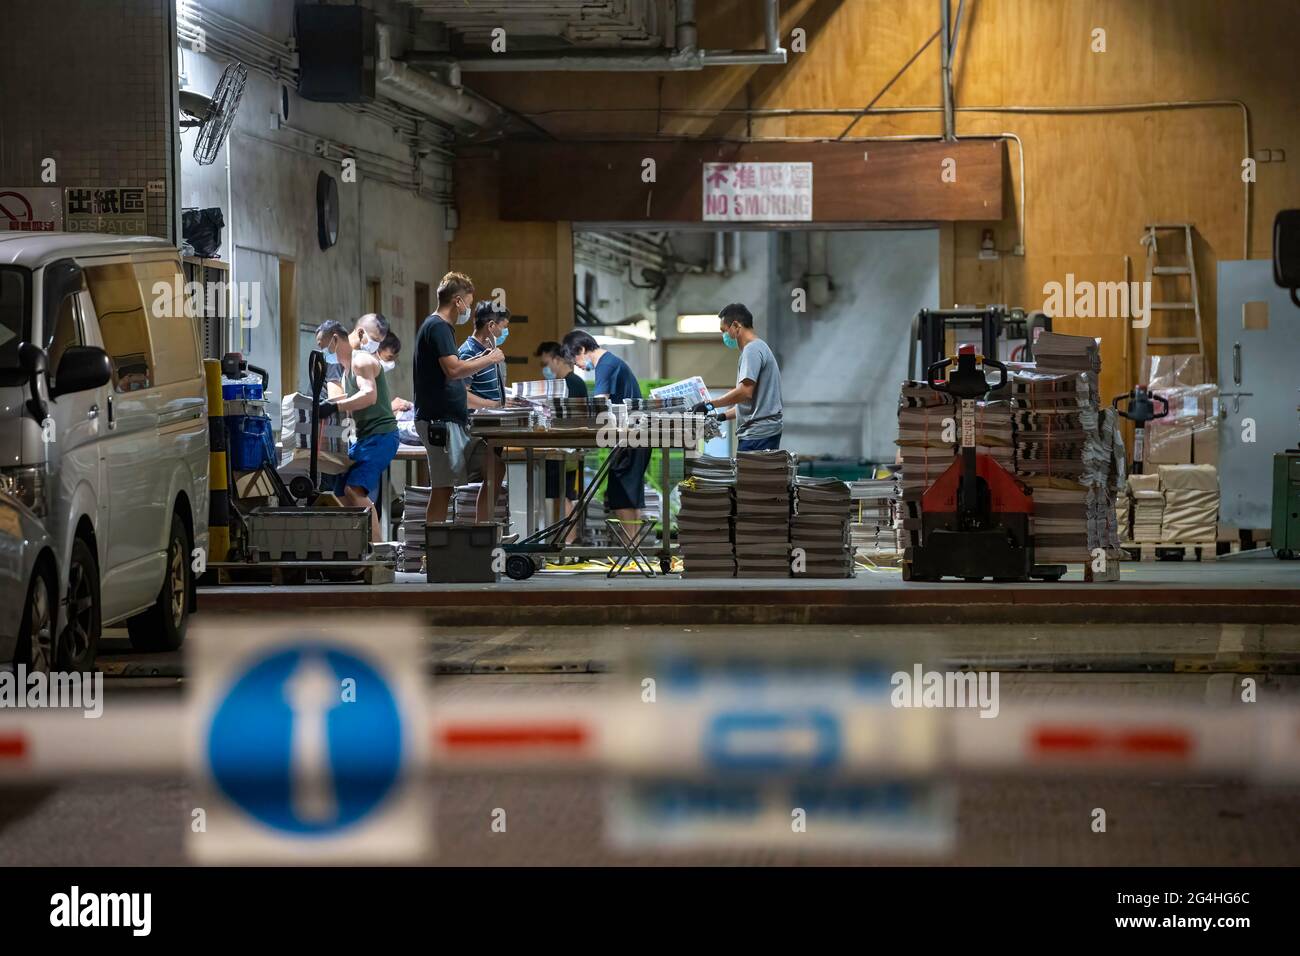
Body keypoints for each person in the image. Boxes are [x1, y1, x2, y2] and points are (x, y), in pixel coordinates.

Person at [412, 271, 504, 524]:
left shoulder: (443, 329)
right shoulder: (438, 327)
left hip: (456, 422)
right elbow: (453, 370)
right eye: (469, 303)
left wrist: (479, 358)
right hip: (439, 423)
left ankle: (481, 534)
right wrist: (490, 358)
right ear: (457, 301)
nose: (469, 309)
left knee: (495, 467)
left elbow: (452, 367)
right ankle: (433, 554)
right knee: (443, 489)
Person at [314, 314, 400, 542]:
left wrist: (335, 407)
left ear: (335, 340)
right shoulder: (344, 372)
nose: (324, 353)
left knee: (354, 490)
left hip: (381, 437)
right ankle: (353, 548)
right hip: (364, 439)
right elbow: (349, 407)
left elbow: (369, 396)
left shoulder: (361, 361)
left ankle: (379, 551)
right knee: (340, 494)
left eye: (324, 347)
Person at [560, 329, 647, 529]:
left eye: (576, 361)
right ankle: (631, 552)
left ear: (581, 349)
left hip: (630, 438)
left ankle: (630, 552)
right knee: (628, 497)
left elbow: (599, 404)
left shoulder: (605, 365)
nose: (579, 367)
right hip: (634, 437)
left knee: (623, 498)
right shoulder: (610, 362)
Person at [693, 302, 784, 451]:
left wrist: (709, 405)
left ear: (736, 326)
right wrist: (721, 417)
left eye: (724, 330)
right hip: (763, 432)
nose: (724, 336)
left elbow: (744, 393)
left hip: (758, 435)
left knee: (749, 475)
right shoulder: (759, 347)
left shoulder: (752, 350)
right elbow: (750, 404)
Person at [536, 341, 588, 541]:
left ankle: (567, 541)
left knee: (565, 495)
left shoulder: (572, 383)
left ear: (557, 359)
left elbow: (573, 418)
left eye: (546, 363)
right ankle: (559, 540)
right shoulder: (561, 384)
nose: (545, 369)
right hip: (558, 447)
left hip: (567, 449)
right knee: (558, 494)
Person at [459, 302, 510, 407]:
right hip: (475, 421)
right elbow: (461, 395)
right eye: (503, 327)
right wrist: (493, 405)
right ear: (491, 325)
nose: (504, 332)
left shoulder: (489, 351)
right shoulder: (469, 352)